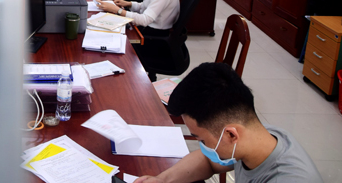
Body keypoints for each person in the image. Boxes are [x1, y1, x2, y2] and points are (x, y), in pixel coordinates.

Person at [136, 63, 323, 183]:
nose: (203, 148)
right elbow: (208, 161)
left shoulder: (290, 178)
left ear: (231, 135)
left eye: (202, 140)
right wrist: (162, 180)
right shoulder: (258, 137)